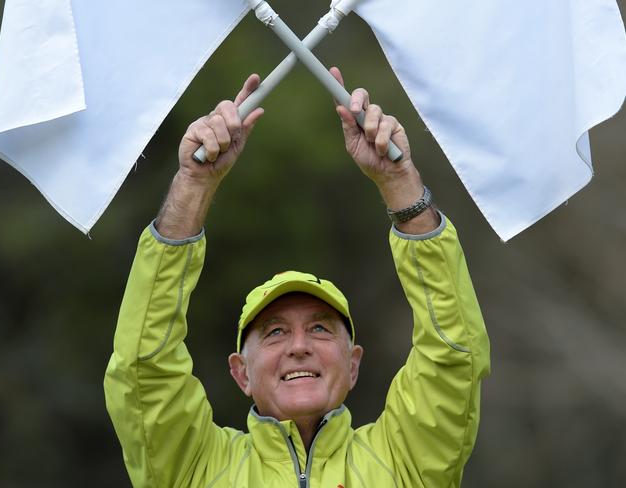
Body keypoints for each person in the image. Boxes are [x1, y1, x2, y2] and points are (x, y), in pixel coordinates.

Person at [104, 68, 491, 488]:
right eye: (273, 333)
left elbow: (454, 354)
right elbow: (143, 367)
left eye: (321, 328)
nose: (300, 347)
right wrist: (193, 184)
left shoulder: (404, 460)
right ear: (241, 373)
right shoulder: (194, 467)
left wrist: (399, 182)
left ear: (353, 363)